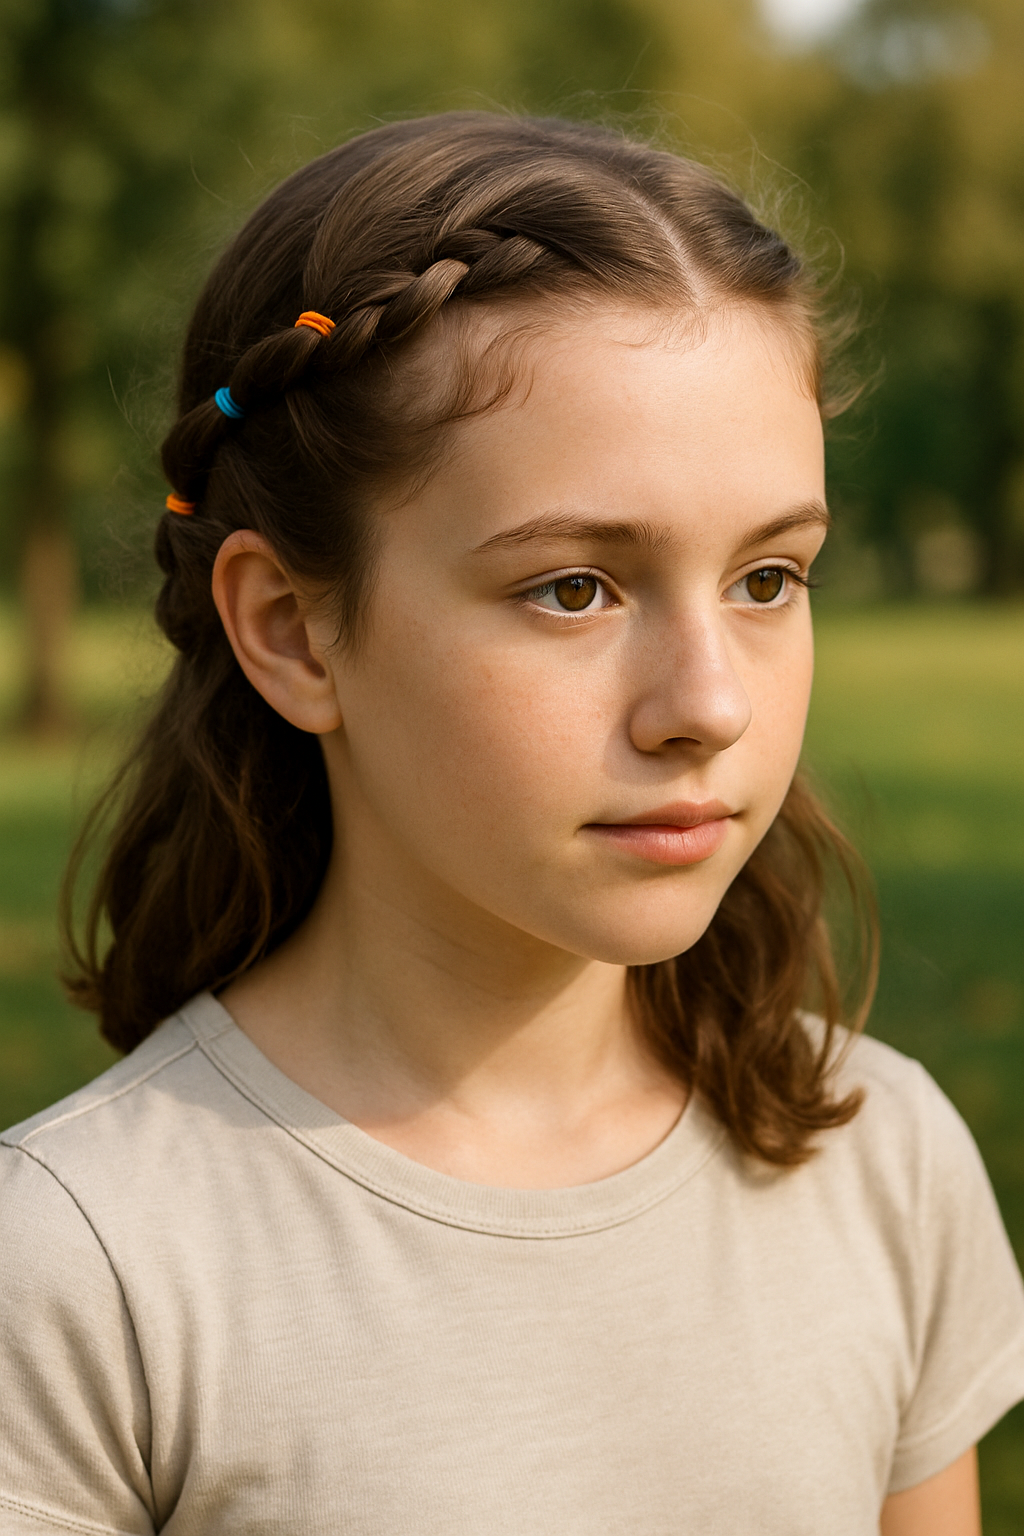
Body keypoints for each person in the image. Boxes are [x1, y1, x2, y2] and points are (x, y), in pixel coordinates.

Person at [1, 112, 1022, 1536]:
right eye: (573, 590)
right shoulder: (81, 1270)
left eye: (769, 578)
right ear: (291, 629)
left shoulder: (881, 1162)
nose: (709, 704)